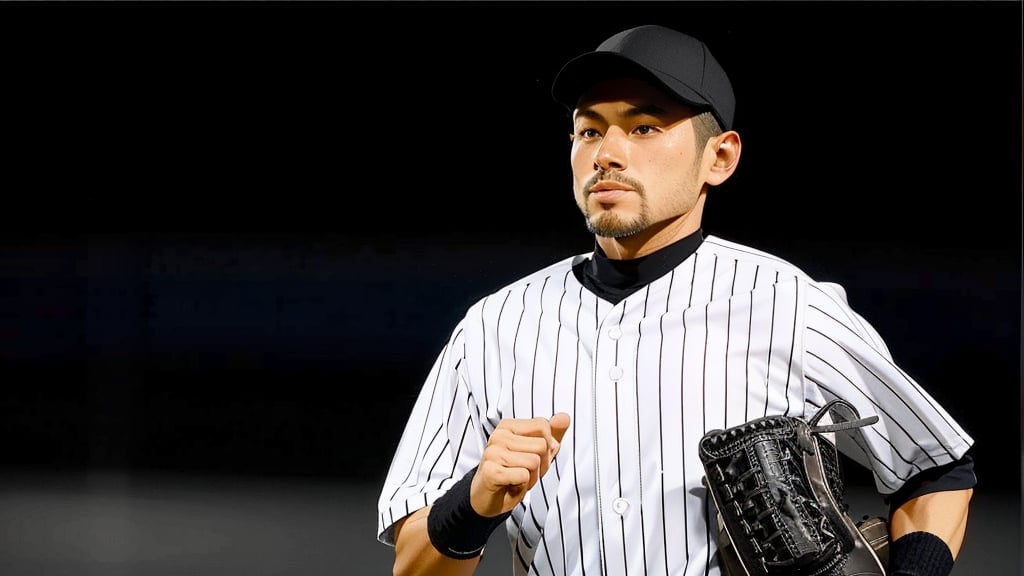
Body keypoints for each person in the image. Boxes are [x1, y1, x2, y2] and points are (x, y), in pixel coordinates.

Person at [375, 24, 976, 576]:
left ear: (720, 157)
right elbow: (412, 564)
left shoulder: (788, 306)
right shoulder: (493, 327)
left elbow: (936, 467)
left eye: (644, 126)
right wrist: (472, 507)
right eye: (589, 129)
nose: (607, 152)